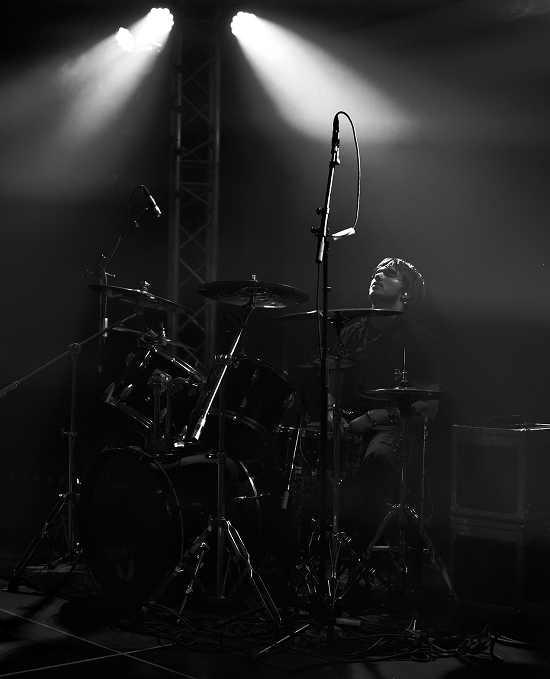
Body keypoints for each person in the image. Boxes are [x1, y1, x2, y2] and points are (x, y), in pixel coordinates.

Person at [328, 257, 440, 547]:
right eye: (376, 271)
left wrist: (375, 417)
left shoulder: (419, 339)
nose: (377, 275)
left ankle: (374, 553)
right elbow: (332, 386)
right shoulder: (349, 333)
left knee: (379, 458)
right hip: (347, 424)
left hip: (393, 428)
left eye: (388, 273)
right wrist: (330, 412)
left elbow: (429, 407)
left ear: (406, 292)